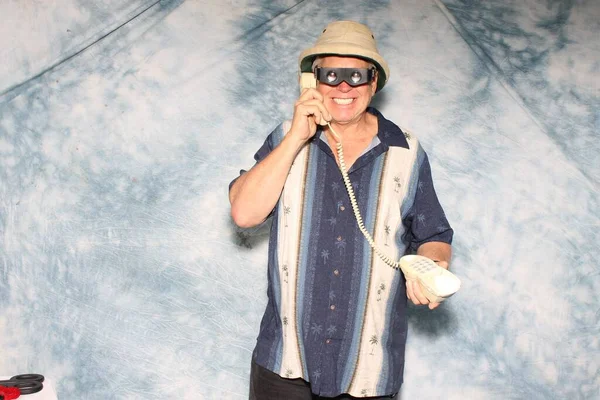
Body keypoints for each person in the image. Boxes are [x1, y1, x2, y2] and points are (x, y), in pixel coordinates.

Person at [229, 20, 454, 400]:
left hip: (369, 367)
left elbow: (434, 236)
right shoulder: (285, 138)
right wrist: (296, 137)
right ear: (312, 81)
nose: (344, 87)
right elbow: (244, 214)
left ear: (374, 83)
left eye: (357, 75)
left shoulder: (407, 152)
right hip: (284, 364)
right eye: (331, 75)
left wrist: (431, 267)